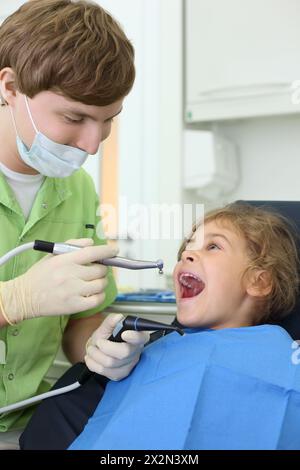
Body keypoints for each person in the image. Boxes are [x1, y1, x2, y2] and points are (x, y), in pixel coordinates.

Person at [0, 0, 149, 443]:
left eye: (107, 121)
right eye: (74, 117)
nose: (91, 144)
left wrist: (97, 343)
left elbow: (80, 316)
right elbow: (24, 302)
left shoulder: (77, 189)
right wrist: (13, 301)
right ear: (9, 86)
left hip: (23, 424)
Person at [67, 202, 300, 450]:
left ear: (258, 281)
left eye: (213, 246)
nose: (186, 255)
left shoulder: (285, 355)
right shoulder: (147, 351)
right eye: (185, 251)